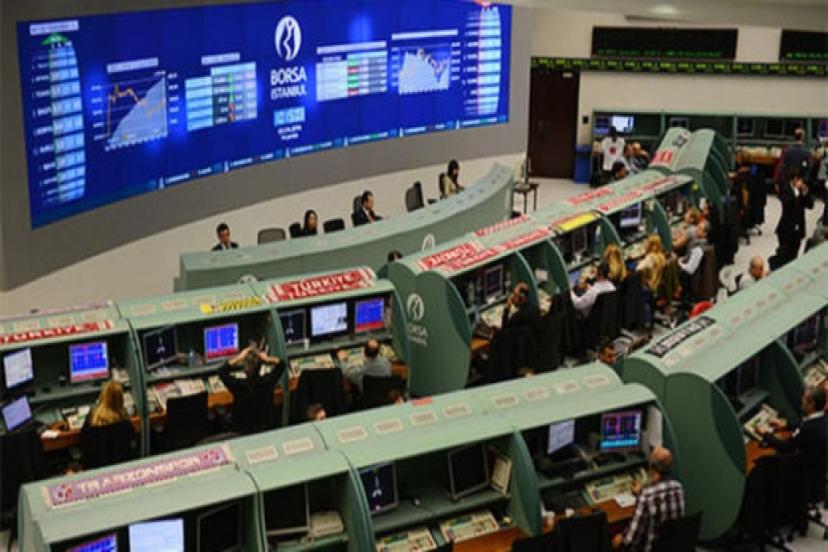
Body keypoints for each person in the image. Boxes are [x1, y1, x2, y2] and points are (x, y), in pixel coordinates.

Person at [612, 446, 685, 552]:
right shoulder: (678, 487)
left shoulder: (647, 495)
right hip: (673, 548)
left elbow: (631, 540)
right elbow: (659, 497)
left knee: (615, 540)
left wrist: (620, 538)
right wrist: (642, 492)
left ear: (651, 467)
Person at [762, 386, 826, 506]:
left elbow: (786, 446)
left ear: (811, 404)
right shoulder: (824, 417)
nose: (801, 402)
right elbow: (804, 425)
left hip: (806, 478)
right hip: (819, 474)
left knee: (763, 463)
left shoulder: (808, 429)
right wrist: (786, 424)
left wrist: (765, 434)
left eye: (804, 400)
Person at [219, 343, 284, 427]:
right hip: (266, 427)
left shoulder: (239, 385)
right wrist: (267, 359)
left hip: (242, 429)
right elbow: (282, 364)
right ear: (260, 365)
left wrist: (239, 357)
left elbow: (221, 371)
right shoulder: (268, 381)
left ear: (245, 370)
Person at [775, 169, 814, 267]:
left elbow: (810, 205)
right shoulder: (785, 189)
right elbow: (787, 204)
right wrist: (797, 193)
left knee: (794, 255)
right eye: (800, 180)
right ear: (795, 179)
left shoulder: (802, 191)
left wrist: (805, 193)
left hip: (798, 230)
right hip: (786, 229)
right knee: (784, 256)